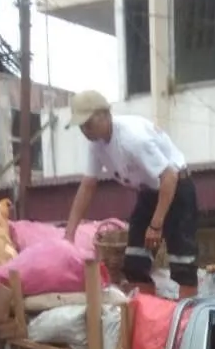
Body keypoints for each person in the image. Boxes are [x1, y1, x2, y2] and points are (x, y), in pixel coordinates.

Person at [63, 89, 199, 298]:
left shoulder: (132, 138)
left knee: (183, 265)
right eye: (81, 126)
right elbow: (88, 186)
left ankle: (187, 320)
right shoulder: (96, 145)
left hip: (176, 190)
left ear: (105, 115)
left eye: (88, 124)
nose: (84, 130)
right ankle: (148, 312)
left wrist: (156, 224)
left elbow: (169, 177)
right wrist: (69, 234)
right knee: (135, 263)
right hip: (148, 193)